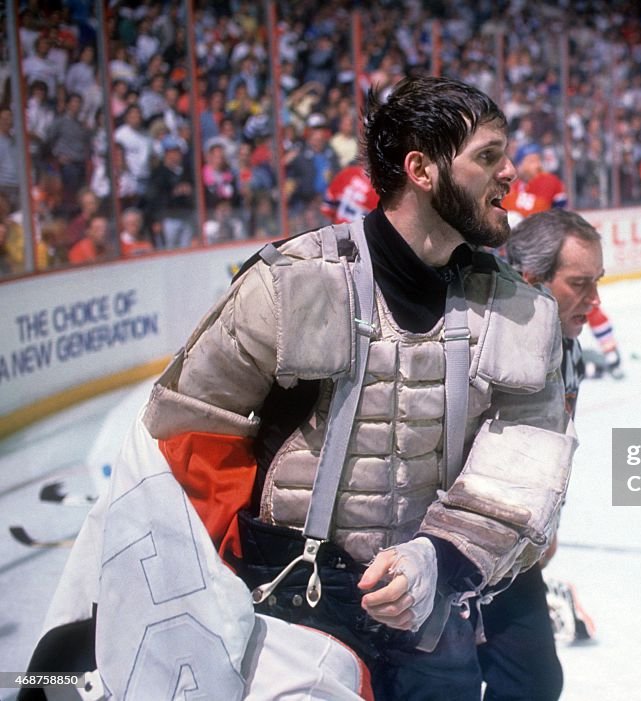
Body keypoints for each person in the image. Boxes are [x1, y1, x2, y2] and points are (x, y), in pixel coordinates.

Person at [127, 76, 572, 700]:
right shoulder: (293, 284)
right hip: (288, 615)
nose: (512, 176)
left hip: (430, 618)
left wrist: (440, 560)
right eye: (489, 157)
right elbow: (190, 427)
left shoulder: (521, 312)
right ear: (421, 168)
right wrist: (237, 561)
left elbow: (526, 462)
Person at [487, 208, 603, 700]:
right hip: (447, 552)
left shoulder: (570, 347)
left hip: (514, 553)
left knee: (535, 682)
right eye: (580, 283)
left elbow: (557, 446)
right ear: (531, 280)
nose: (595, 302)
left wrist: (548, 525)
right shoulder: (482, 344)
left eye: (597, 282)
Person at [504, 142, 623, 377]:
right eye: (530, 159)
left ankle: (610, 350)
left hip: (548, 257)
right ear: (519, 164)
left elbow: (563, 219)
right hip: (518, 259)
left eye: (538, 158)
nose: (537, 163)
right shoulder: (510, 187)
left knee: (577, 300)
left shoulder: (549, 183)